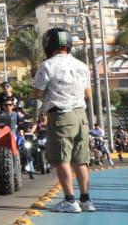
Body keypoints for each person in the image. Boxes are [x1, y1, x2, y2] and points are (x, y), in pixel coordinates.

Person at [32, 27, 94, 212]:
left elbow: (37, 93)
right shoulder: (81, 65)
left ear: (48, 44)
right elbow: (88, 94)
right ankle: (86, 200)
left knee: (62, 160)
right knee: (81, 160)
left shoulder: (48, 65)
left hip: (60, 115)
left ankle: (69, 200)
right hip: (81, 116)